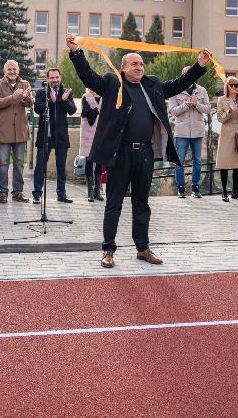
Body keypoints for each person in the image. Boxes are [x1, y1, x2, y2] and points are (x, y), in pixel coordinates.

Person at [66, 32, 210, 269]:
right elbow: (88, 78)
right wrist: (76, 53)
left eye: (141, 64)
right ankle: (108, 250)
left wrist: (199, 65)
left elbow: (178, 85)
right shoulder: (113, 83)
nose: (139, 67)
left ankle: (142, 248)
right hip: (119, 154)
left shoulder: (151, 84)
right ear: (123, 67)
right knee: (114, 203)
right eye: (134, 64)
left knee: (142, 203)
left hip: (144, 154)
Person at [0, 60, 33, 204]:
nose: (12, 72)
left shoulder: (25, 84)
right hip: (4, 132)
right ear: (5, 71)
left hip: (21, 131)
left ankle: (18, 193)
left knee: (19, 164)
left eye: (14, 69)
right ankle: (3, 193)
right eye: (9, 69)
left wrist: (26, 97)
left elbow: (30, 104)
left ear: (18, 70)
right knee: (3, 164)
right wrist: (13, 97)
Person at [33, 67, 77, 203]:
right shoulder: (41, 93)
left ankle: (61, 194)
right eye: (52, 78)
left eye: (57, 77)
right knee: (40, 166)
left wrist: (64, 100)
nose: (55, 80)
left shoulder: (66, 92)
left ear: (60, 78)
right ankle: (37, 194)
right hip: (45, 136)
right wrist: (51, 101)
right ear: (47, 79)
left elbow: (72, 110)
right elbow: (37, 109)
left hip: (61, 137)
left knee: (61, 166)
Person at [168, 66, 210, 199]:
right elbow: (172, 111)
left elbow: (208, 109)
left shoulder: (201, 90)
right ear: (182, 76)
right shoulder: (175, 91)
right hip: (181, 132)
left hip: (197, 131)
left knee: (197, 160)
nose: (189, 76)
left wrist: (197, 105)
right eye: (186, 74)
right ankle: (181, 188)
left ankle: (195, 187)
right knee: (179, 160)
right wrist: (186, 105)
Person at [215, 76, 238, 201]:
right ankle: (224, 192)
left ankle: (235, 191)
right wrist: (230, 111)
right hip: (227, 134)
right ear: (227, 86)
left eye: (236, 85)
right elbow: (220, 119)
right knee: (224, 163)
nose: (233, 87)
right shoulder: (221, 99)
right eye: (231, 85)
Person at [80, 89, 104, 202]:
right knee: (89, 161)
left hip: (100, 132)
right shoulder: (86, 97)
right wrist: (98, 109)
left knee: (99, 162)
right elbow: (86, 113)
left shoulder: (103, 97)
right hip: (88, 134)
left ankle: (97, 191)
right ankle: (89, 192)